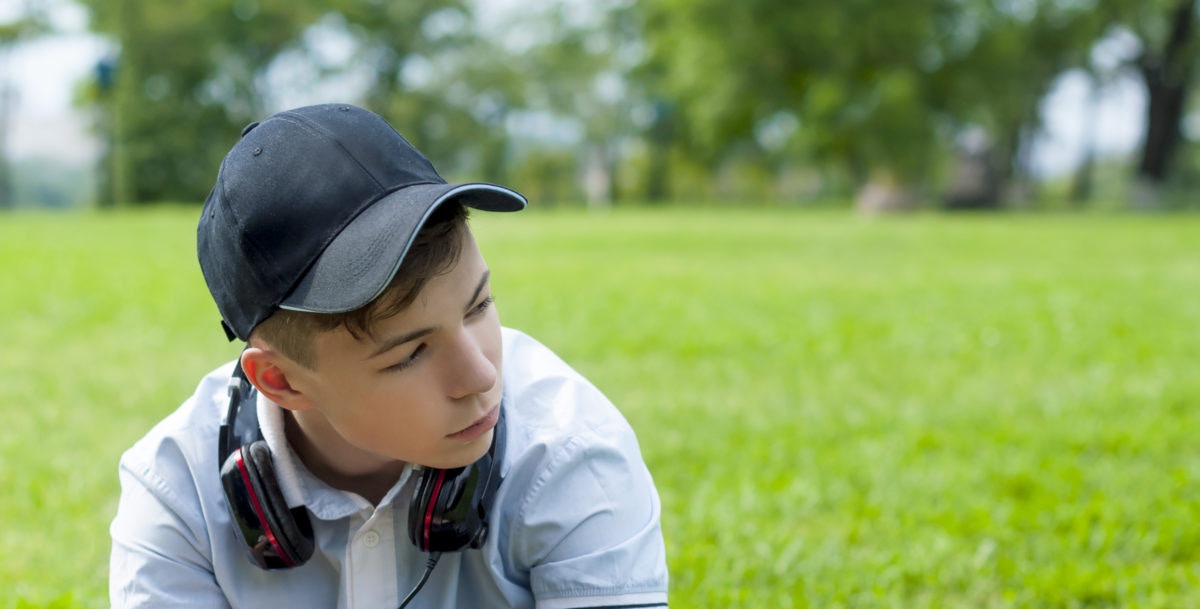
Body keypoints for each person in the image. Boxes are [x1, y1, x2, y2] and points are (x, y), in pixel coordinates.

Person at [108, 103, 669, 608]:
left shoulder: (571, 451)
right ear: (278, 380)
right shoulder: (177, 494)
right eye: (410, 354)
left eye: (478, 307)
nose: (480, 374)